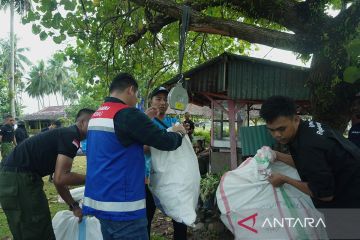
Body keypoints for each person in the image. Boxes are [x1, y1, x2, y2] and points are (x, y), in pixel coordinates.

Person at [82, 73, 186, 240]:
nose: (137, 100)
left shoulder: (98, 114)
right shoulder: (127, 114)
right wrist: (179, 134)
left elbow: (117, 142)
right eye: (137, 95)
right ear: (130, 90)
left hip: (99, 201)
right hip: (122, 205)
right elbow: (164, 141)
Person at [0, 108, 95, 239]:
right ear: (83, 123)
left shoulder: (66, 134)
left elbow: (59, 180)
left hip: (12, 178)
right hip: (19, 180)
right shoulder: (71, 136)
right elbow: (61, 178)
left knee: (27, 230)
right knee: (38, 230)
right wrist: (93, 179)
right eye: (95, 123)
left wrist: (73, 205)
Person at [260, 95, 360, 209]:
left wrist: (284, 179)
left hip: (350, 204)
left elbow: (325, 195)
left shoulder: (308, 146)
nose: (277, 135)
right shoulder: (310, 127)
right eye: (271, 130)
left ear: (296, 120)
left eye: (281, 129)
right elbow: (305, 162)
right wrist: (276, 155)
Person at [144, 86, 188, 240]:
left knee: (179, 215)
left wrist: (182, 133)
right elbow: (142, 148)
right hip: (148, 177)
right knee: (146, 217)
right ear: (151, 101)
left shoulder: (173, 121)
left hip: (171, 177)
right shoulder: (145, 121)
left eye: (165, 99)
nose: (162, 103)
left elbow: (179, 144)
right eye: (158, 99)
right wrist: (164, 141)